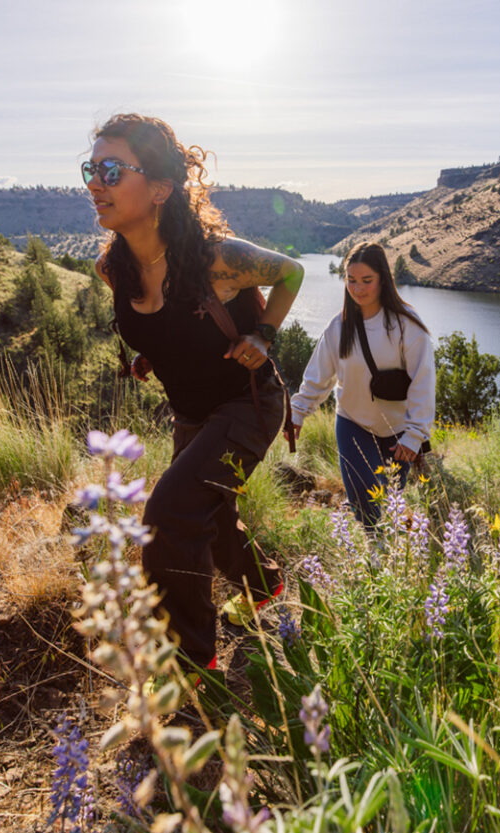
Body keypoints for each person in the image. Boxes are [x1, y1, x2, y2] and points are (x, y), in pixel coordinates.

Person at [85, 113, 303, 674]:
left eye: (111, 170)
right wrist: (147, 355)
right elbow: (162, 327)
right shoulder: (114, 268)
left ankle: (188, 658)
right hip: (192, 413)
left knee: (169, 515)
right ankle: (266, 588)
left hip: (248, 405)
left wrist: (264, 334)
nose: (95, 183)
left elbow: (292, 273)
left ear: (159, 189)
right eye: (91, 169)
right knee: (209, 513)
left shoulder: (216, 258)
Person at [288, 243, 434, 528]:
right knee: (366, 503)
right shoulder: (339, 327)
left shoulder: (407, 325)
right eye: (351, 280)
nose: (358, 289)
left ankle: (391, 561)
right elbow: (319, 376)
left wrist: (415, 434)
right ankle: (376, 556)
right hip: (352, 424)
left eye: (367, 281)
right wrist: (297, 413)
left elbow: (423, 381)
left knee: (391, 501)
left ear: (383, 279)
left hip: (399, 433)